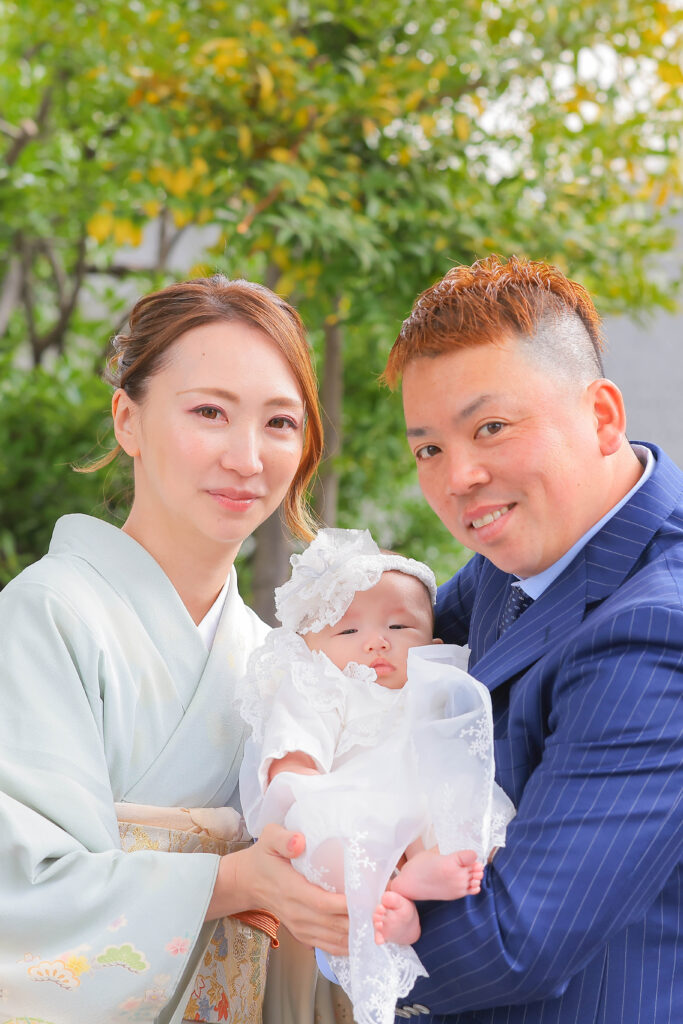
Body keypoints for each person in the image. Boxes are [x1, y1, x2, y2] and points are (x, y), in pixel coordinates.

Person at [0, 275, 348, 1024]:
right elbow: (18, 894)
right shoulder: (46, 615)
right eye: (209, 412)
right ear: (128, 419)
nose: (247, 458)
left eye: (280, 423)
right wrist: (239, 881)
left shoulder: (271, 656)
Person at [382, 254, 683, 1023]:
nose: (458, 478)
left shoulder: (657, 628)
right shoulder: (524, 555)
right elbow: (371, 661)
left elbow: (511, 943)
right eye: (429, 449)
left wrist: (311, 911)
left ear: (602, 418)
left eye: (491, 427)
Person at [237, 527, 513, 1024]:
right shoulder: (320, 685)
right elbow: (293, 756)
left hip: (418, 796)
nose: (377, 642)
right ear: (310, 648)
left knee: (476, 813)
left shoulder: (433, 682)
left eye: (401, 628)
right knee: (336, 845)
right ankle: (394, 895)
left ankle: (412, 881)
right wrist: (301, 796)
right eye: (348, 631)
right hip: (348, 800)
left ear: (433, 640)